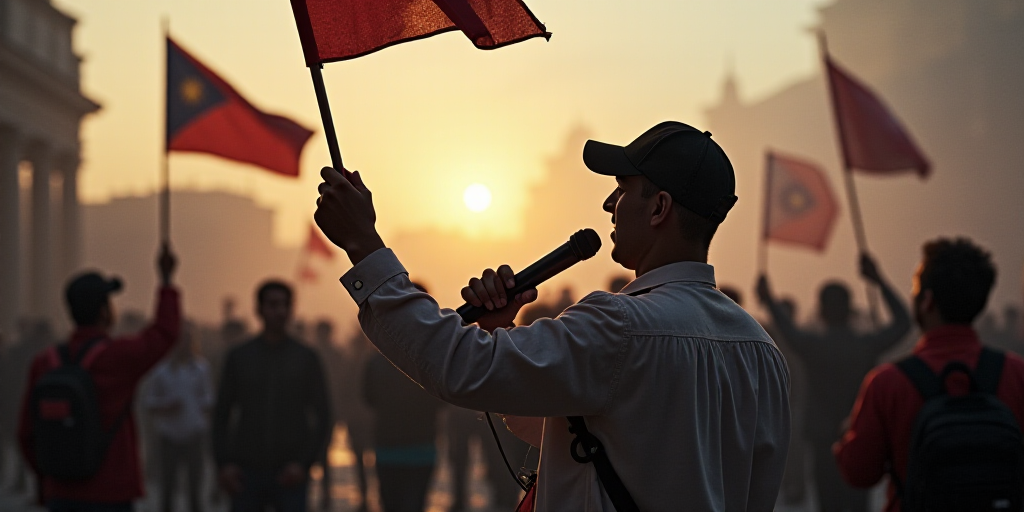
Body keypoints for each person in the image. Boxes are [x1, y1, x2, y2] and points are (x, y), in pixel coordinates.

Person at [314, 121, 791, 510]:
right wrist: (501, 332)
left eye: (623, 190)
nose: (609, 203)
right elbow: (572, 429)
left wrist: (365, 247)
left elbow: (459, 365)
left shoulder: (619, 326)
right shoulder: (761, 352)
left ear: (659, 208)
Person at [834, 238, 1024, 511]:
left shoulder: (887, 383)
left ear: (927, 301)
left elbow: (859, 474)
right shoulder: (1016, 374)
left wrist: (845, 439)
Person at [17, 245, 181, 512]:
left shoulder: (44, 362)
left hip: (61, 491)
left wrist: (47, 476)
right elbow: (164, 334)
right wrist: (166, 282)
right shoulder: (116, 357)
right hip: (111, 490)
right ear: (104, 312)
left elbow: (26, 433)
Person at [757, 254, 910, 512]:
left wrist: (768, 298)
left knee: (829, 504)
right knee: (857, 502)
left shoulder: (814, 347)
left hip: (822, 439)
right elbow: (903, 323)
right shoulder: (866, 346)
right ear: (850, 309)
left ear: (821, 310)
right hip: (858, 432)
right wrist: (878, 280)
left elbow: (788, 331)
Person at [212, 280, 332, 512]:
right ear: (259, 309)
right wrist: (224, 463)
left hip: (290, 470)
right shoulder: (240, 357)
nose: (280, 312)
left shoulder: (306, 358)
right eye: (273, 305)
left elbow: (323, 415)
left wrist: (304, 464)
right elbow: (221, 414)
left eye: (285, 305)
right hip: (246, 470)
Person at [143, 325, 214, 512]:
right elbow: (150, 402)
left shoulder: (201, 368)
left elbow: (208, 399)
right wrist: (165, 407)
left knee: (195, 491)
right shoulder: (161, 370)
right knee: (167, 490)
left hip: (194, 435)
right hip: (169, 436)